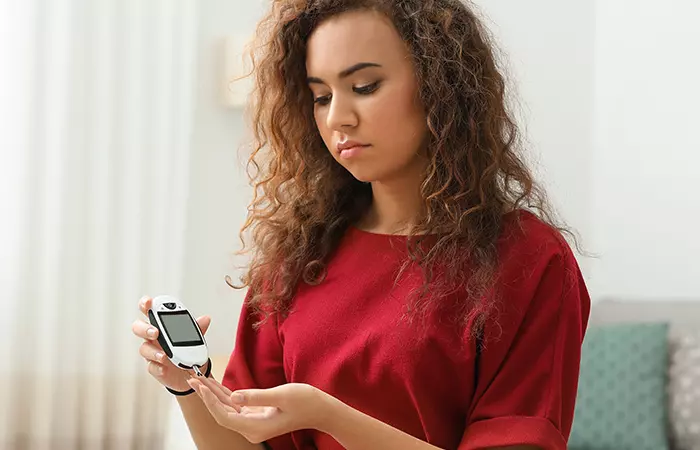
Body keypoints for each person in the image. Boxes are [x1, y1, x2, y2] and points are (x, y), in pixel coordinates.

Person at [133, 1, 590, 449]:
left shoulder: (528, 258)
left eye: (365, 86)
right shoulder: (301, 253)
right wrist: (189, 387)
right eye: (321, 97)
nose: (337, 119)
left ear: (440, 86)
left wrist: (327, 416)